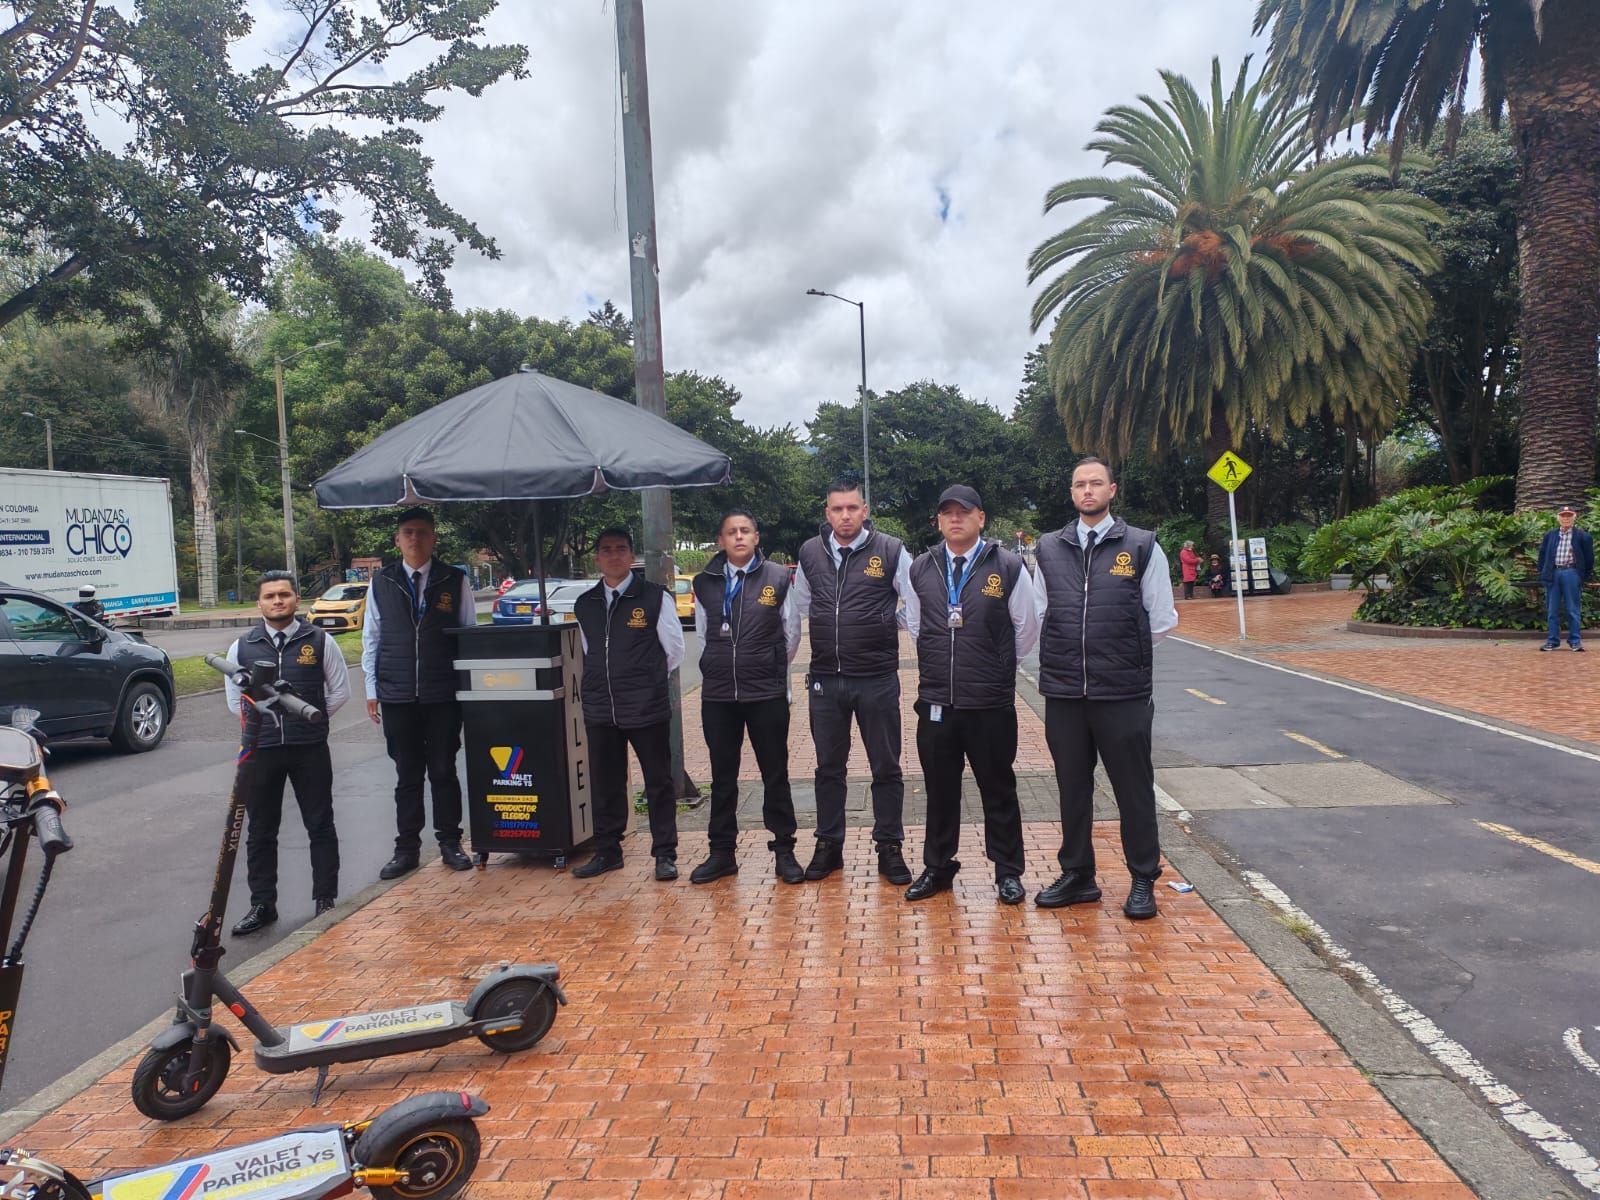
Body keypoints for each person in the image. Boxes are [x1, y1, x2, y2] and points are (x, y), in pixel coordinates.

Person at [1033, 455, 1178, 920]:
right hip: (1065, 693)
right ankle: (1078, 875)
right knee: (1071, 786)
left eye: (1096, 483)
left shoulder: (1141, 546)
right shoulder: (1049, 549)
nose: (1088, 491)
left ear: (1112, 490)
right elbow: (1041, 614)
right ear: (1072, 493)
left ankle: (1142, 877)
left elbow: (1160, 618)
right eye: (1080, 484)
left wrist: (1116, 655)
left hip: (1123, 694)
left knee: (1133, 787)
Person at [904, 485, 1040, 905]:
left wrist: (997, 667)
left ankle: (1008, 872)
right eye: (947, 513)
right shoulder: (921, 568)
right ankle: (938, 867)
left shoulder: (1009, 566)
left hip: (990, 703)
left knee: (998, 788)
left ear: (981, 518)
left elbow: (1027, 626)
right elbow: (916, 624)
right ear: (938, 521)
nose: (955, 519)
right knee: (939, 790)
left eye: (964, 512)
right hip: (938, 702)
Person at [791, 476, 920, 884]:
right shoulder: (810, 553)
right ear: (827, 513)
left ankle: (890, 847)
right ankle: (829, 845)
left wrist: (887, 622)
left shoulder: (892, 550)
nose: (845, 516)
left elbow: (915, 603)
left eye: (853, 508)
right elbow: (800, 609)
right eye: (837, 509)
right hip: (827, 680)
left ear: (865, 511)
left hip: (877, 678)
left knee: (886, 766)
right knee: (829, 768)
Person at [224, 570, 350, 934]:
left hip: (309, 748)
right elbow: (236, 699)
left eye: (284, 594)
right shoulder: (242, 647)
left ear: (297, 599)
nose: (277, 601)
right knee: (261, 830)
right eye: (270, 596)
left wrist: (309, 719)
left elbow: (339, 692)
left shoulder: (321, 641)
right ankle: (262, 904)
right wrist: (260, 723)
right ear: (259, 603)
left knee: (320, 824)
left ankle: (325, 900)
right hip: (261, 750)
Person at [361, 507, 477, 878]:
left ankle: (449, 842)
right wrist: (371, 689)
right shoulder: (383, 582)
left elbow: (468, 634)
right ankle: (406, 848)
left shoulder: (454, 579)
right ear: (397, 540)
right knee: (407, 773)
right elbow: (371, 638)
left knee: (443, 769)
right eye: (408, 532)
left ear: (433, 538)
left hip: (442, 692)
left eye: (423, 532)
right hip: (396, 693)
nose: (415, 539)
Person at [690, 508, 803, 884]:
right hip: (719, 694)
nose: (738, 537)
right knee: (723, 777)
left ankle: (784, 850)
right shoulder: (704, 582)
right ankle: (722, 853)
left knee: (776, 773)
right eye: (731, 532)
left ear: (757, 537)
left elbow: (791, 633)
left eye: (745, 531)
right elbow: (704, 635)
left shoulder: (778, 577)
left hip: (765, 692)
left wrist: (766, 666)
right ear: (720, 540)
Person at [571, 527, 686, 880]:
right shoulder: (585, 603)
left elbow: (675, 650)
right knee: (605, 783)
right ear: (597, 558)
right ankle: (608, 851)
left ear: (631, 554)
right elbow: (589, 653)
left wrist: (645, 681)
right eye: (606, 549)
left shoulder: (653, 597)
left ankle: (664, 854)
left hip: (645, 706)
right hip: (600, 708)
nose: (614, 555)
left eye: (621, 549)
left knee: (658, 782)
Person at [1537, 503, 1593, 652]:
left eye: (1569, 516)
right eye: (1563, 516)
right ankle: (1552, 641)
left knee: (1572, 609)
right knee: (1552, 610)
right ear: (1558, 518)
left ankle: (1575, 641)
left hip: (1571, 573)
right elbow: (1542, 555)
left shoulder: (1583, 536)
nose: (1566, 518)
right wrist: (1543, 572)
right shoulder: (1550, 535)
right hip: (1553, 574)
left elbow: (1589, 560)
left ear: (1574, 517)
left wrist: (1581, 576)